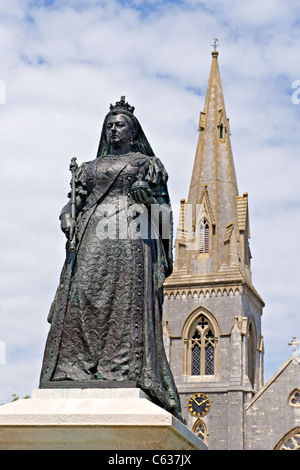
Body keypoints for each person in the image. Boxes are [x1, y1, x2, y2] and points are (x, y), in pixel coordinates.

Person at [39, 97, 183, 421]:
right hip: (92, 235)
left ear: (133, 133)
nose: (113, 129)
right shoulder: (87, 169)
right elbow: (73, 202)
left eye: (120, 125)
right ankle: (71, 368)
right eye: (109, 125)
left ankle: (121, 369)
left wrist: (148, 203)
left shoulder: (149, 164)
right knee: (81, 299)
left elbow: (162, 212)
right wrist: (65, 217)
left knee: (124, 306)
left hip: (131, 240)